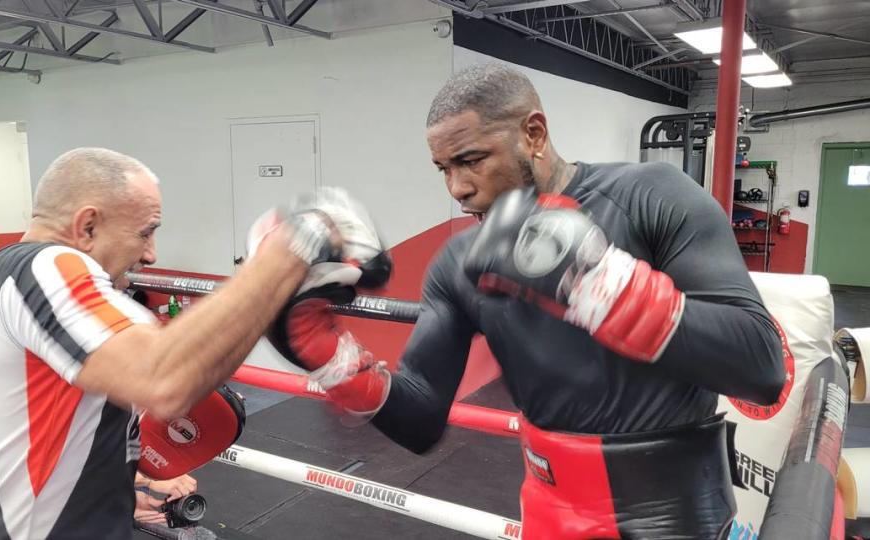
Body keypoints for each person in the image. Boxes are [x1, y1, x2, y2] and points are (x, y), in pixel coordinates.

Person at [267, 64, 786, 539]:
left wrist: (598, 283)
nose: (458, 188)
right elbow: (420, 418)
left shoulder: (651, 196)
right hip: (548, 520)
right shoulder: (461, 261)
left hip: (681, 523)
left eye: (471, 161)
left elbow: (761, 369)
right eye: (442, 168)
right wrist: (327, 357)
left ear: (533, 134)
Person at [0, 148, 385, 539]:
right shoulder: (43, 266)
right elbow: (162, 380)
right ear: (88, 225)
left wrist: (115, 482)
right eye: (146, 231)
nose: (152, 253)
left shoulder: (5, 284)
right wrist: (288, 252)